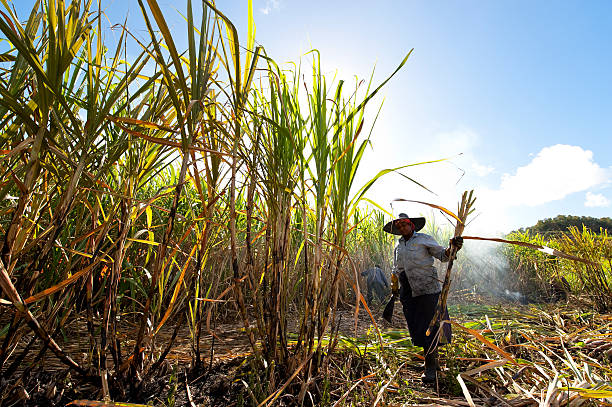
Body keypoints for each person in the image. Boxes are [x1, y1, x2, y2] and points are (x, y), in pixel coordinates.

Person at [383, 213, 463, 383]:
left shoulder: (423, 239)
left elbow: (443, 255)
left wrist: (453, 247)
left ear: (412, 225)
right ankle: (432, 362)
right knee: (417, 327)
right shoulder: (398, 247)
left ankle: (431, 368)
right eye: (399, 226)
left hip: (427, 289)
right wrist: (395, 289)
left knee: (431, 327)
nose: (402, 228)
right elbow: (397, 270)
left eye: (405, 224)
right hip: (409, 293)